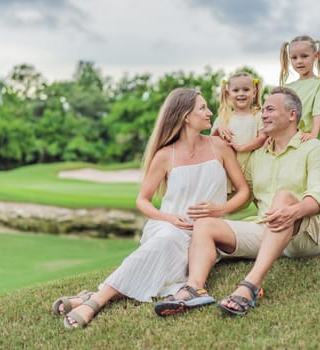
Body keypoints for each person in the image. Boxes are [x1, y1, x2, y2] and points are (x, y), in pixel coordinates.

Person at [52, 88, 250, 328]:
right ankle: (98, 300)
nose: (209, 113)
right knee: (167, 240)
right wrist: (168, 218)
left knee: (158, 262)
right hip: (168, 227)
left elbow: (243, 192)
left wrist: (218, 210)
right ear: (185, 116)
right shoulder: (165, 156)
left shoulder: (219, 146)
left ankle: (90, 297)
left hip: (206, 234)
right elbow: (142, 200)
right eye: (202, 108)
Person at [154, 86, 320, 317]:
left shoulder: (314, 148)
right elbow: (243, 195)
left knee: (283, 198)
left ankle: (249, 286)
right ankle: (194, 288)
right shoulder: (257, 156)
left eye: (269, 110)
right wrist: (214, 207)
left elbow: (319, 197)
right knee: (205, 223)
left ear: (292, 115)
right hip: (267, 231)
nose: (263, 116)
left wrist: (293, 211)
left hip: (307, 234)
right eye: (263, 111)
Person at [211, 72, 268, 199]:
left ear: (254, 92)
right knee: (224, 200)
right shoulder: (223, 119)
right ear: (228, 94)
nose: (241, 93)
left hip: (252, 167)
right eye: (236, 90)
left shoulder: (258, 116)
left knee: (258, 197)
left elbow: (262, 137)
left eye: (246, 90)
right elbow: (211, 144)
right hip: (228, 169)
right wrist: (218, 130)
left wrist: (241, 148)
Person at [279, 35, 320, 141]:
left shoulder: (319, 84)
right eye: (294, 58)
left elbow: (318, 111)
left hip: (303, 137)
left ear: (316, 56)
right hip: (284, 138)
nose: (299, 61)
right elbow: (280, 115)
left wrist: (313, 135)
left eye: (304, 56)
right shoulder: (287, 88)